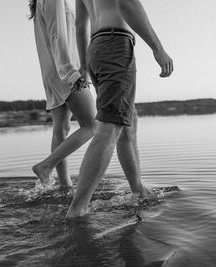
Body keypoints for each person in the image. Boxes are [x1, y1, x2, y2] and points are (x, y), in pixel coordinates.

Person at [67, 0, 174, 218]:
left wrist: (85, 64)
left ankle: (138, 190)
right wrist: (158, 48)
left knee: (128, 120)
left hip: (95, 49)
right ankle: (78, 208)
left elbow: (80, 24)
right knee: (109, 127)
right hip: (115, 45)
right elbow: (126, 4)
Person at [29, 0, 97, 190]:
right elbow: (56, 35)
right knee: (93, 125)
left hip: (53, 71)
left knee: (61, 127)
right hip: (65, 71)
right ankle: (46, 166)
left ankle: (65, 185)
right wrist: (71, 73)